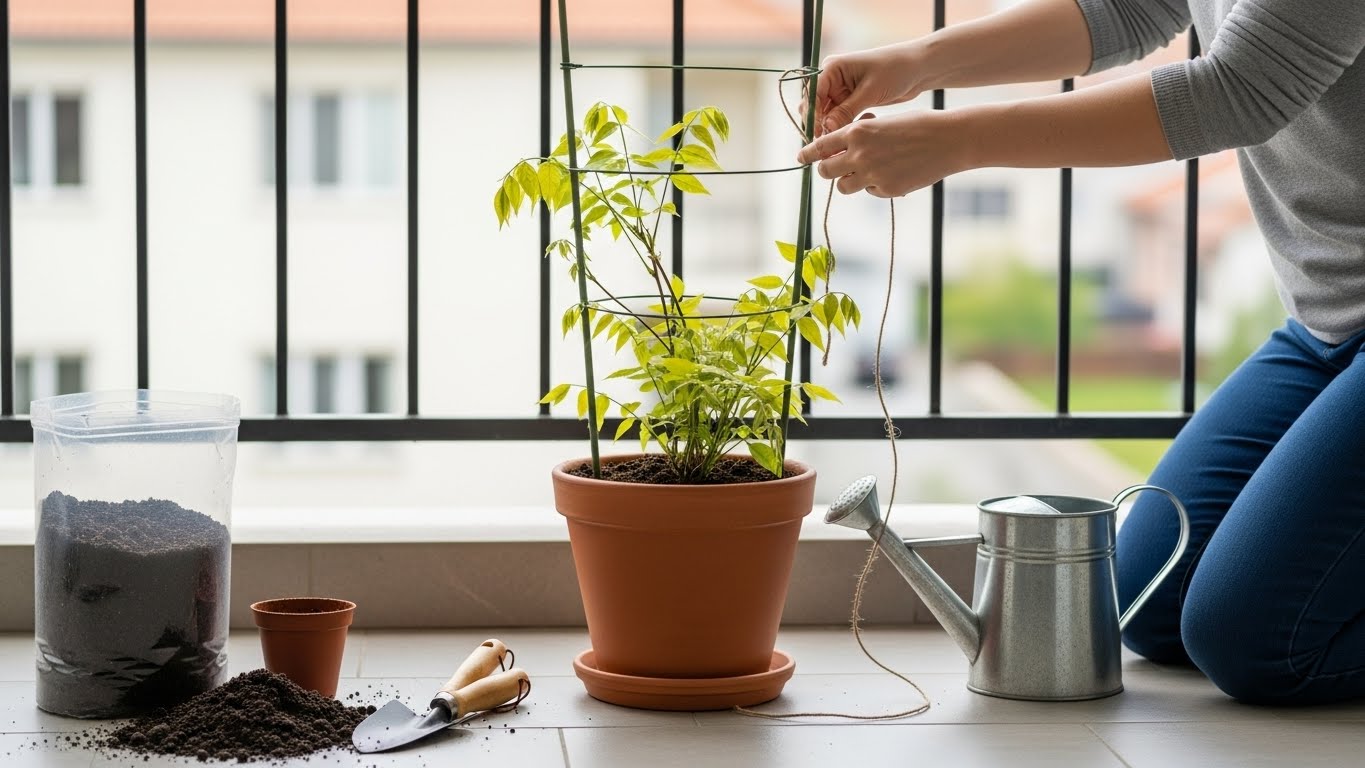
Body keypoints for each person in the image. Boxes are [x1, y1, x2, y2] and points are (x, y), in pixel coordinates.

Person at [797, 0, 1365, 706]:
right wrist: (917, 63)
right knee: (1148, 600)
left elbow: (1236, 91)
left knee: (1254, 642)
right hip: (1323, 324)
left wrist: (957, 141)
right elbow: (1126, 10)